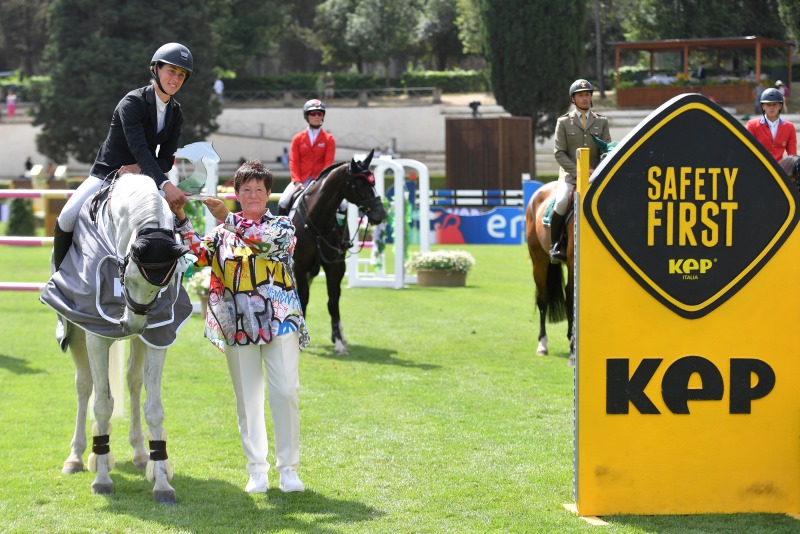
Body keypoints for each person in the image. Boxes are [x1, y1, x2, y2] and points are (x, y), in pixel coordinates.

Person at [171, 160, 309, 494]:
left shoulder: (283, 227)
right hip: (238, 325)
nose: (252, 195)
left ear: (268, 194)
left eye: (258, 190)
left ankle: (288, 468)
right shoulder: (221, 235)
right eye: (245, 190)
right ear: (237, 193)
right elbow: (195, 255)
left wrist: (228, 218)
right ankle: (257, 471)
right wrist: (180, 217)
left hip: (281, 320)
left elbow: (265, 244)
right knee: (248, 399)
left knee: (286, 390)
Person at [51, 42, 193, 272]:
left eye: (181, 74)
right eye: (171, 71)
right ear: (155, 69)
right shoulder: (132, 103)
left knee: (167, 220)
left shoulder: (175, 112)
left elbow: (167, 158)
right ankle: (58, 278)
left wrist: (139, 169)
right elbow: (139, 147)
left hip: (141, 177)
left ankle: (170, 279)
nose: (176, 79)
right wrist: (165, 183)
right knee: (67, 217)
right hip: (108, 174)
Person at [551, 79, 610, 263]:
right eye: (580, 95)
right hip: (570, 175)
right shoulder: (563, 122)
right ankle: (556, 245)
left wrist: (596, 170)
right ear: (573, 99)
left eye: (587, 95)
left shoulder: (601, 121)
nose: (584, 98)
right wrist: (579, 172)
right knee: (561, 202)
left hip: (595, 176)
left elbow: (606, 150)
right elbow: (559, 153)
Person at [277, 99, 336, 214]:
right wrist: (297, 181)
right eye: (313, 113)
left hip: (320, 180)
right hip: (301, 180)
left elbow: (328, 163)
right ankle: (282, 230)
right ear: (307, 116)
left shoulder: (329, 139)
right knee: (283, 202)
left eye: (319, 113)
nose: (316, 116)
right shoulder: (298, 138)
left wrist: (321, 181)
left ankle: (342, 230)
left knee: (343, 205)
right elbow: (293, 161)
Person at [746, 87, 796, 161]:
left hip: (779, 169)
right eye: (768, 104)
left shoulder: (789, 127)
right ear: (763, 106)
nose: (771, 108)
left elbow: (793, 156)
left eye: (774, 104)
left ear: (780, 106)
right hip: (758, 168)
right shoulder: (752, 125)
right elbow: (747, 151)